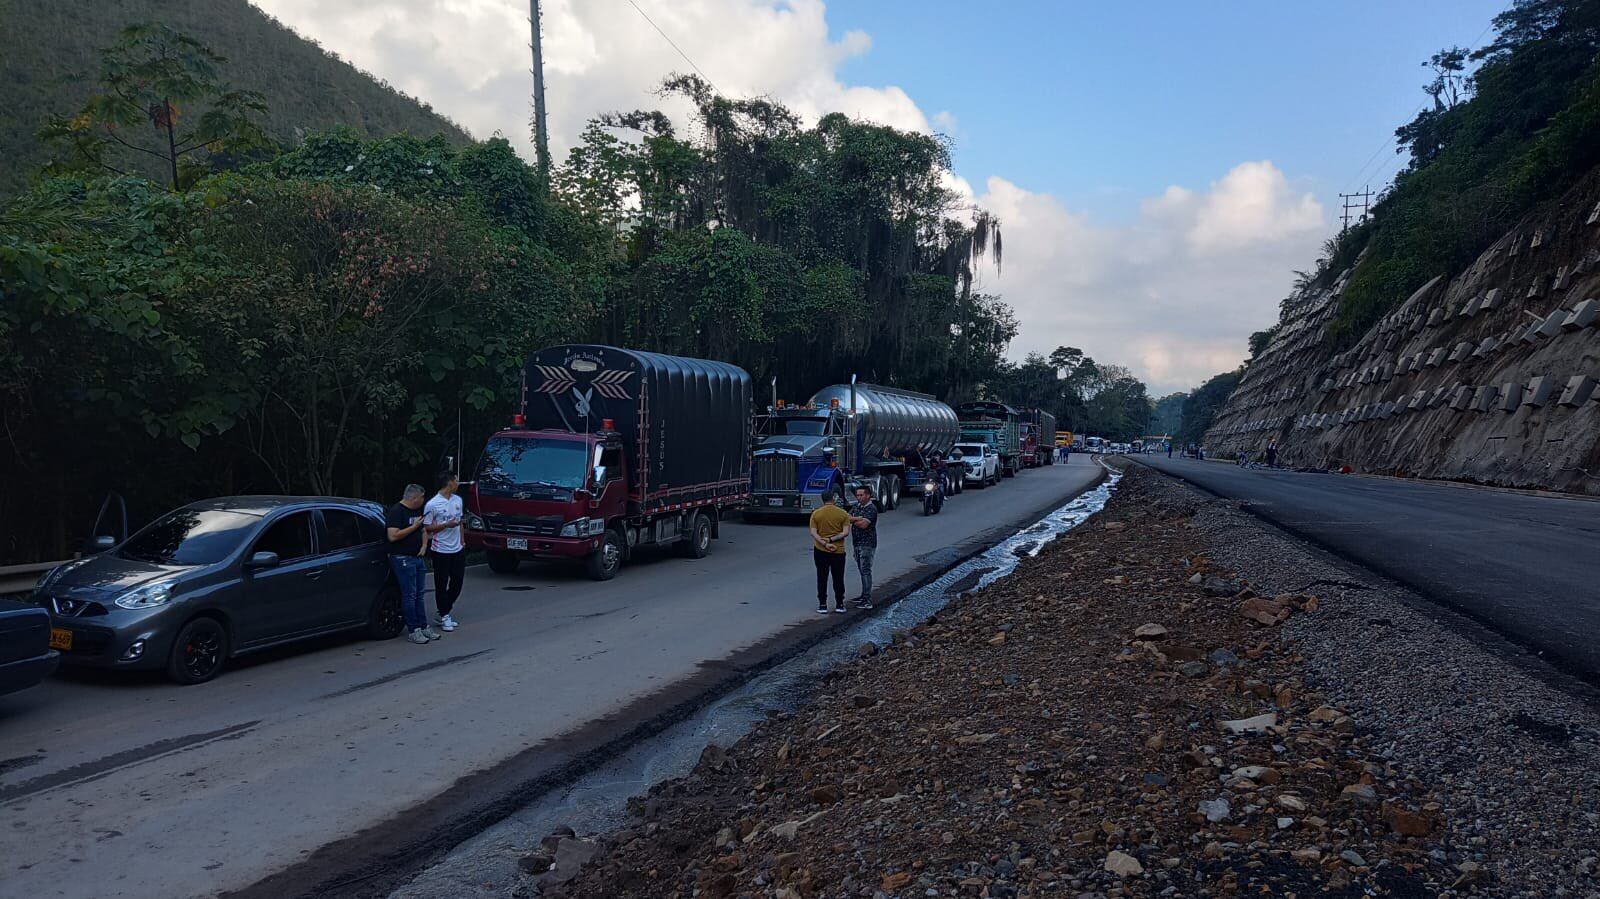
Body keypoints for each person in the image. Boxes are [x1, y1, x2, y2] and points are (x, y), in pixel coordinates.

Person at [385, 484, 439, 644]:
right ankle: (413, 629)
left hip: (417, 557)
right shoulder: (396, 511)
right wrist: (412, 527)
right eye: (422, 497)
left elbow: (423, 530)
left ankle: (423, 626)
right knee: (409, 594)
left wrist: (423, 546)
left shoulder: (417, 511)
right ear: (414, 498)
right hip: (402, 558)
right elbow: (393, 536)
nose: (423, 500)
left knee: (419, 594)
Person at [424, 471, 466, 632]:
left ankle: (444, 609)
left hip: (457, 548)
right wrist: (445, 525)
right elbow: (427, 527)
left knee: (457, 582)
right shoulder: (433, 504)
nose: (458, 484)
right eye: (456, 481)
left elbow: (460, 521)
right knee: (441, 583)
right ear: (449, 483)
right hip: (440, 549)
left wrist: (462, 540)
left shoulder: (457, 500)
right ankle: (444, 615)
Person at [808, 490, 851, 614]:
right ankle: (840, 604)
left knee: (822, 577)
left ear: (822, 499)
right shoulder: (843, 514)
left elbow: (813, 532)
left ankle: (822, 605)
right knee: (838, 577)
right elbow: (845, 532)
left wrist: (824, 543)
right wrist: (832, 540)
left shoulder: (816, 514)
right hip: (838, 551)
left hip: (820, 550)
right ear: (833, 498)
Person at [848, 485, 880, 609]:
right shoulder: (856, 507)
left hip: (867, 544)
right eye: (857, 495)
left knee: (865, 570)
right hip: (856, 543)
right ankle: (863, 595)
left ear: (868, 495)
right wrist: (856, 518)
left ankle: (867, 600)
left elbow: (863, 525)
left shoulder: (871, 509)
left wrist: (853, 519)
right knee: (862, 570)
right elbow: (847, 517)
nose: (859, 497)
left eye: (861, 495)